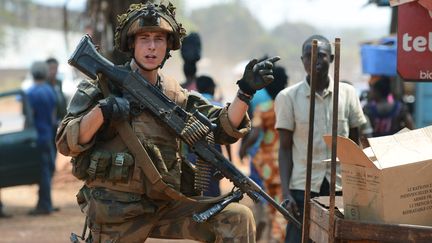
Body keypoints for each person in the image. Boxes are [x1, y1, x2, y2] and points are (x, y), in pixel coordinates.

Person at [55, 2, 279, 242]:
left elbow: (222, 127)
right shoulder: (102, 87)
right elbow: (66, 142)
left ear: (168, 46)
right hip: (118, 210)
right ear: (131, 44)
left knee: (237, 217)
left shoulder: (175, 95)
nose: (152, 47)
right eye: (144, 38)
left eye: (159, 39)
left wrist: (244, 92)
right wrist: (103, 110)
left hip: (166, 204)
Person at [275, 35, 367, 243]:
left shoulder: (348, 93)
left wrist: (361, 188)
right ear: (302, 61)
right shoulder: (287, 97)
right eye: (309, 56)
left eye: (321, 56)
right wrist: (286, 192)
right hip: (303, 187)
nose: (314, 60)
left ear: (332, 58)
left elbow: (356, 142)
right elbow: (285, 148)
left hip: (340, 186)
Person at [240, 66, 289, 242]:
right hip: (286, 163)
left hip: (267, 165)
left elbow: (254, 133)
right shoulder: (289, 106)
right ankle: (277, 236)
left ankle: (270, 235)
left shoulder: (265, 108)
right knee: (283, 203)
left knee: (269, 203)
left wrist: (243, 148)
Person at [26, 61, 58, 215]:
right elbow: (53, 117)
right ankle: (45, 202)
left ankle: (45, 205)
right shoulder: (50, 91)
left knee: (42, 171)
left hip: (36, 137)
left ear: (32, 74)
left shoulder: (30, 93)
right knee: (47, 170)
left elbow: (29, 117)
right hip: (49, 135)